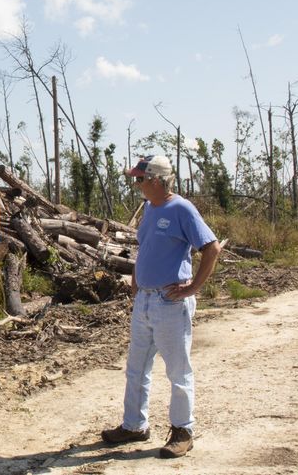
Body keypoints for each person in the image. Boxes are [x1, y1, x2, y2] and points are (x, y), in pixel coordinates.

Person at [102, 155, 221, 459]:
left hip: (170, 303)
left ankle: (183, 431)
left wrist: (193, 286)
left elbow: (211, 247)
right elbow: (146, 248)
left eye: (139, 179)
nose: (136, 184)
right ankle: (134, 425)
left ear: (156, 179)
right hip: (145, 300)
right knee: (136, 368)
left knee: (177, 370)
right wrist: (136, 278)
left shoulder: (180, 208)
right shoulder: (150, 209)